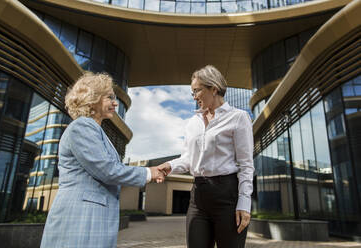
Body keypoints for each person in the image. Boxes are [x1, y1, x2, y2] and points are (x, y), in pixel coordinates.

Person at [40, 72, 164, 248]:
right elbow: (107, 170)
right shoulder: (82, 127)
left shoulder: (95, 130)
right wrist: (149, 172)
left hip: (91, 216)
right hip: (81, 217)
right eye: (109, 97)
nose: (115, 103)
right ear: (92, 99)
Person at [158, 65, 254, 248]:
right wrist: (169, 166)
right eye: (192, 92)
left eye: (197, 91)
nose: (194, 97)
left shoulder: (238, 117)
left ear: (214, 88)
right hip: (198, 197)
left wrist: (244, 203)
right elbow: (188, 158)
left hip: (227, 196)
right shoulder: (192, 123)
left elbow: (246, 165)